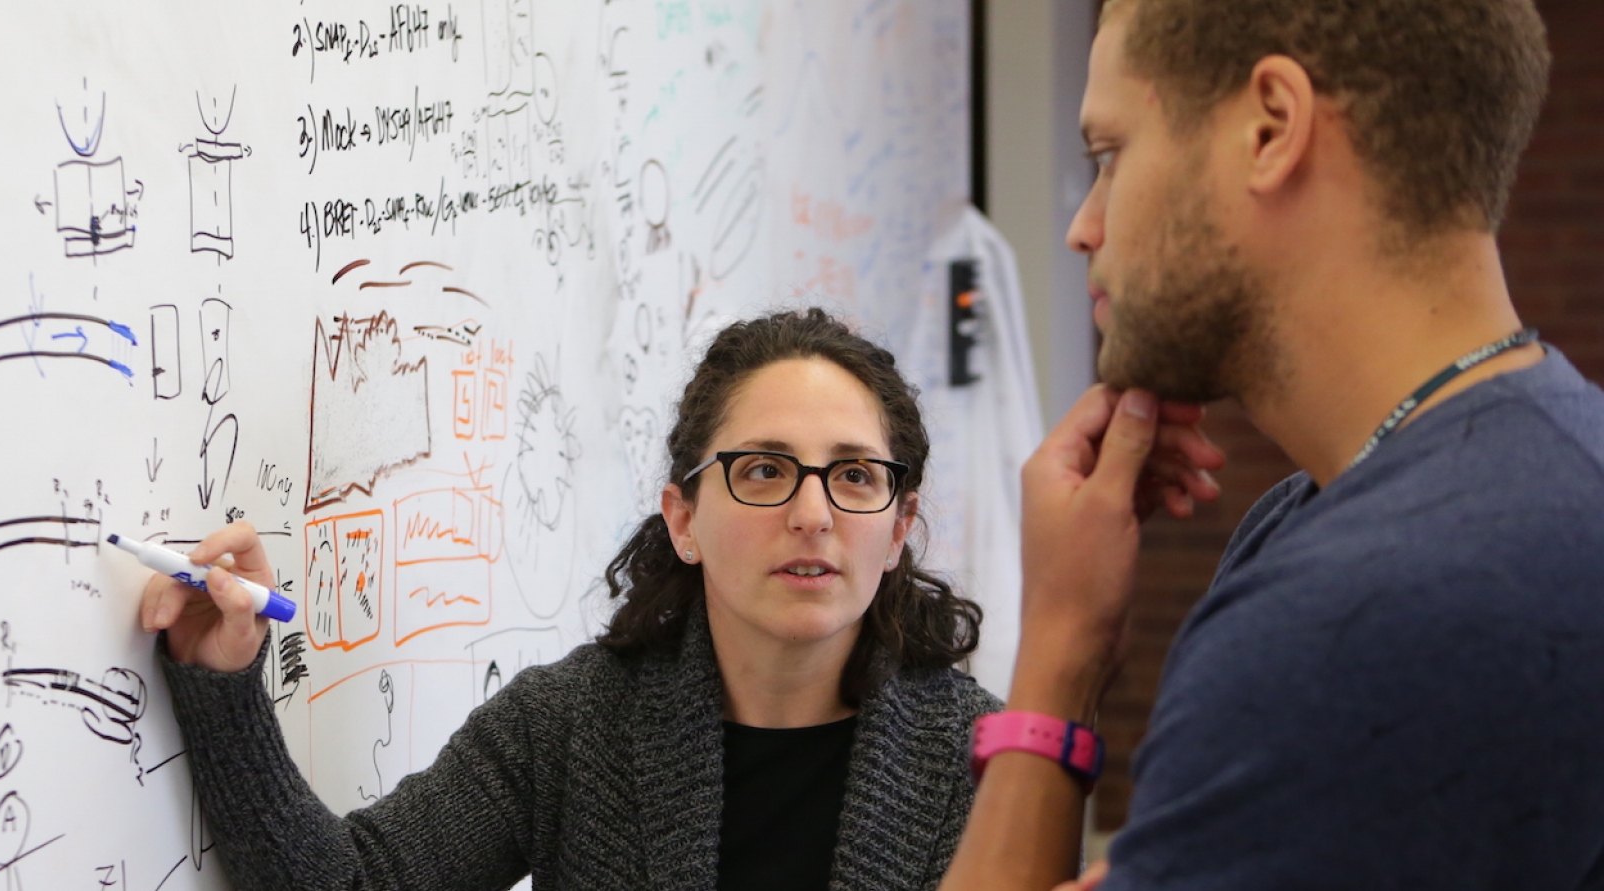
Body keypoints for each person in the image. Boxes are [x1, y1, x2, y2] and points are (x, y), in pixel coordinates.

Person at [940, 1, 1604, 889]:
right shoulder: (1536, 465)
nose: (1083, 227)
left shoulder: (1364, 616)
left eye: (1109, 158)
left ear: (1270, 128)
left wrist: (1059, 644)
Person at [141, 309, 1018, 891]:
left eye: (855, 476)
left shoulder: (981, 759)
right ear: (684, 518)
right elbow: (355, 883)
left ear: (898, 527)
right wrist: (223, 681)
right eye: (764, 469)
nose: (813, 514)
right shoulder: (571, 723)